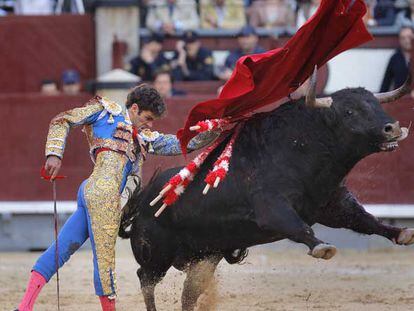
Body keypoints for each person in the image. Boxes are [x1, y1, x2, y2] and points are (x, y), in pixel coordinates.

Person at [15, 85, 218, 311]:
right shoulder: (104, 112)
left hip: (93, 193)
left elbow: (182, 143)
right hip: (104, 196)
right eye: (148, 118)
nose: (150, 124)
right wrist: (54, 154)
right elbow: (62, 120)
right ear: (134, 108)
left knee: (60, 250)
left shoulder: (143, 137)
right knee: (104, 262)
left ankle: (23, 308)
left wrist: (215, 130)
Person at [380, 26, 413, 92]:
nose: (406, 41)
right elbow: (386, 83)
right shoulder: (395, 58)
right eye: (403, 38)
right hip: (399, 98)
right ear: (399, 40)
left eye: (409, 37)